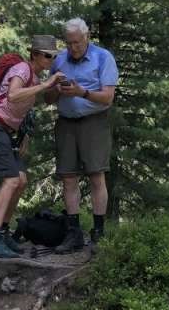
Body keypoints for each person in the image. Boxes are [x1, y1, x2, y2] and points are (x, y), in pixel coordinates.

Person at [0, 35, 65, 258]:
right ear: (34, 54)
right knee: (11, 180)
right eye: (47, 55)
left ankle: (4, 231)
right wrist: (46, 85)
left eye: (53, 56)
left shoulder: (34, 77)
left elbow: (25, 108)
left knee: (21, 180)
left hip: (6, 132)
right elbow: (13, 95)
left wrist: (25, 134)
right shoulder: (23, 69)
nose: (51, 60)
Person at [45, 18, 118, 253]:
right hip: (66, 123)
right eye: (68, 43)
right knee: (68, 178)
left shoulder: (103, 57)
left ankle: (98, 232)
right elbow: (47, 98)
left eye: (76, 42)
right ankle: (74, 232)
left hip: (94, 122)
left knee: (96, 175)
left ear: (87, 37)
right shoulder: (59, 60)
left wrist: (82, 92)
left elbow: (107, 97)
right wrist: (56, 90)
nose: (73, 48)